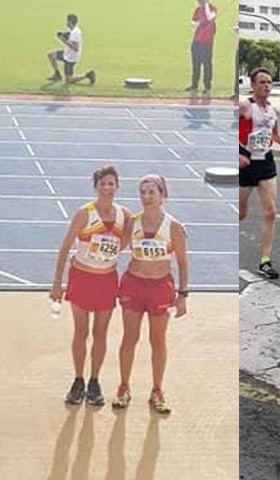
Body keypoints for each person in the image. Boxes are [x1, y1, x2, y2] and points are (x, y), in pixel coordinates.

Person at [51, 165, 132, 406]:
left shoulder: (125, 215)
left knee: (101, 333)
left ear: (117, 187)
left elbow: (148, 225)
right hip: (82, 278)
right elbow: (65, 248)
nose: (107, 188)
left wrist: (178, 227)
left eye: (111, 183)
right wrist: (58, 283)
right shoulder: (84, 214)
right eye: (102, 184)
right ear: (96, 186)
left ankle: (94, 381)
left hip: (107, 279)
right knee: (81, 332)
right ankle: (78, 380)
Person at [112, 175, 189, 414]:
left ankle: (157, 390)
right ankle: (123, 387)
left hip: (160, 288)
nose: (146, 197)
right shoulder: (132, 222)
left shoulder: (173, 227)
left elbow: (183, 263)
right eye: (142, 192)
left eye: (151, 192)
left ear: (162, 194)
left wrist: (182, 294)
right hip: (133, 286)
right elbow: (116, 245)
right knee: (129, 338)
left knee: (158, 340)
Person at [239, 68, 280, 279]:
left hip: (266, 162)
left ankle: (265, 261)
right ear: (253, 85)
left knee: (270, 211)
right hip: (246, 162)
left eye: (269, 82)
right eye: (261, 82)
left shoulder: (274, 111)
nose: (266, 86)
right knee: (241, 213)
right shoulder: (245, 106)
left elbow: (275, 133)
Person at [46, 14, 96, 85]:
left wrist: (63, 40)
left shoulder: (75, 33)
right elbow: (68, 35)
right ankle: (57, 75)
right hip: (66, 54)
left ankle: (88, 75)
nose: (66, 22)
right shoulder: (73, 29)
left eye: (67, 21)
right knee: (51, 55)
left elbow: (75, 48)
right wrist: (63, 35)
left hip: (71, 58)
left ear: (70, 22)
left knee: (69, 80)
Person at [186, 0, 218, 95]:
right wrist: (197, 23)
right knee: (196, 65)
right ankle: (194, 85)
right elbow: (193, 22)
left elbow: (209, 17)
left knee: (207, 65)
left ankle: (207, 86)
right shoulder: (198, 10)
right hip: (197, 41)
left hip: (207, 43)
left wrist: (206, 5)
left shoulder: (212, 9)